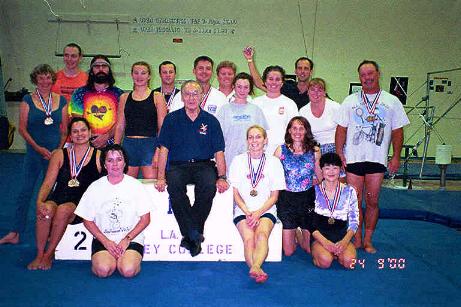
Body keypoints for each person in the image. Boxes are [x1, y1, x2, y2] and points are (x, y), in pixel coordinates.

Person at [335, 60, 410, 253]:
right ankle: (357, 238)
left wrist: (395, 157)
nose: (367, 78)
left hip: (377, 159)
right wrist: (339, 154)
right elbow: (341, 129)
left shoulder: (392, 101)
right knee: (355, 201)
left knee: (372, 200)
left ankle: (368, 239)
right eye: (363, 75)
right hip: (354, 158)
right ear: (359, 77)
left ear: (378, 74)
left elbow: (397, 132)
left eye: (370, 73)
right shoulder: (350, 101)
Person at [155, 80, 229, 257]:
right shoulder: (171, 119)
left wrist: (222, 176)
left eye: (195, 93)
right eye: (187, 94)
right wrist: (160, 177)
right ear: (181, 97)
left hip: (203, 164)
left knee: (208, 187)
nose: (191, 97)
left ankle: (190, 235)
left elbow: (219, 152)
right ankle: (194, 234)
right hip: (177, 166)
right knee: (174, 188)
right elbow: (163, 150)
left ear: (201, 96)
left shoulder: (211, 121)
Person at [0, 64, 68, 245]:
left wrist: (58, 150)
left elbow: (65, 130)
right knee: (25, 191)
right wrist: (38, 148)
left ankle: (51, 232)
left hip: (54, 156)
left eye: (48, 78)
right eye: (41, 78)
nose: (45, 81)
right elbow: (22, 129)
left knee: (53, 193)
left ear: (52, 80)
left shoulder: (61, 100)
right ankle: (15, 232)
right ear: (35, 80)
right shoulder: (27, 100)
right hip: (34, 154)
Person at [27, 117, 101, 270]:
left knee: (63, 210)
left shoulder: (99, 156)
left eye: (83, 130)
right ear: (70, 135)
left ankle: (49, 254)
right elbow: (48, 182)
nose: (79, 134)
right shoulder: (60, 154)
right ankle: (40, 254)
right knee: (46, 210)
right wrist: (39, 202)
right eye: (75, 131)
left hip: (80, 203)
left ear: (90, 132)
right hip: (58, 196)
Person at [75, 144, 152, 278]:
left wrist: (127, 239)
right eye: (110, 160)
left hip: (131, 239)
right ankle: (109, 259)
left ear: (125, 162)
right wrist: (105, 241)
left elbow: (145, 219)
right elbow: (87, 219)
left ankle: (125, 259)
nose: (115, 164)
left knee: (128, 271)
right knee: (103, 271)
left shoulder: (136, 186)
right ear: (104, 165)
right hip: (104, 239)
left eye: (119, 159)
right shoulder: (95, 187)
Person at [229, 125, 285, 283]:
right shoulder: (238, 160)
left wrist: (258, 213)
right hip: (242, 209)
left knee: (261, 234)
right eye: (251, 137)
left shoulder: (274, 162)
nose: (254, 140)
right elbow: (235, 193)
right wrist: (247, 211)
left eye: (258, 137)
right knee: (248, 238)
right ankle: (257, 267)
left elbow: (274, 196)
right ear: (247, 141)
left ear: (265, 140)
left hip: (266, 209)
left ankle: (254, 267)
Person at [274, 116, 322, 256]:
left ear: (306, 131)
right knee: (289, 252)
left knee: (308, 250)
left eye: (301, 128)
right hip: (286, 201)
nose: (297, 131)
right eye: (294, 128)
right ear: (289, 130)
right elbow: (272, 174)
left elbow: (320, 176)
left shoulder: (315, 150)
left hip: (307, 199)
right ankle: (293, 231)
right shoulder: (280, 150)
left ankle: (300, 232)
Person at [114, 61, 167, 179]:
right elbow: (120, 126)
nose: (139, 76)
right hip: (129, 145)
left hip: (150, 146)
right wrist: (115, 148)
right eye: (136, 73)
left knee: (150, 185)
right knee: (128, 185)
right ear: (131, 75)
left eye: (143, 73)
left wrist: (159, 151)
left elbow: (162, 128)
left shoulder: (157, 97)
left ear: (149, 76)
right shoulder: (124, 97)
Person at [308, 152, 359, 269]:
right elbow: (310, 223)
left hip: (341, 236)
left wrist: (345, 242)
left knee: (350, 263)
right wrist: (325, 243)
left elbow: (354, 221)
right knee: (325, 262)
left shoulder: (350, 191)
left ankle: (337, 252)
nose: (331, 172)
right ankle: (321, 252)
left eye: (335, 168)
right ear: (321, 170)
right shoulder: (313, 191)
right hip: (320, 236)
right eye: (327, 168)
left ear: (340, 170)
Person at [69, 55, 124, 148]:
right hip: (85, 144)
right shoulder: (79, 93)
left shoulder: (120, 94)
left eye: (104, 66)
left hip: (111, 146)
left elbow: (122, 121)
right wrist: (92, 136)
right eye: (97, 66)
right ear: (91, 71)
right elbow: (77, 120)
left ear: (109, 70)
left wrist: (106, 136)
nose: (101, 69)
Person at [216, 72, 268, 169]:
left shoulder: (256, 110)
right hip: (229, 158)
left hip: (252, 158)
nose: (242, 90)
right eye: (239, 87)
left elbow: (263, 136)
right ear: (233, 87)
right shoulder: (224, 110)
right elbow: (218, 138)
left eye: (246, 87)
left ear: (250, 89)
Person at [243, 46, 313, 110]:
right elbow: (259, 83)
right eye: (300, 68)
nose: (302, 71)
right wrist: (250, 60)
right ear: (295, 71)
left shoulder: (315, 92)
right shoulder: (287, 87)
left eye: (306, 68)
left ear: (311, 72)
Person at [252, 65, 298, 155]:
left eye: (277, 79)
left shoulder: (290, 104)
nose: (274, 82)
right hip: (259, 151)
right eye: (270, 79)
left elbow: (295, 130)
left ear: (282, 83)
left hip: (283, 152)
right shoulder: (255, 103)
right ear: (264, 81)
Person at [299, 78, 341, 155]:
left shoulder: (336, 107)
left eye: (319, 90)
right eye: (312, 90)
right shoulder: (302, 111)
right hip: (314, 149)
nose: (316, 93)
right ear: (307, 92)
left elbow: (343, 130)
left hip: (336, 147)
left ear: (324, 92)